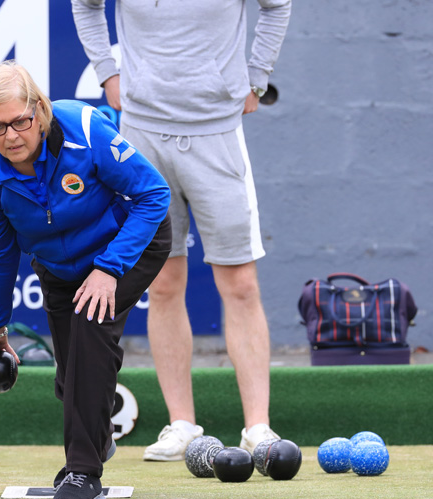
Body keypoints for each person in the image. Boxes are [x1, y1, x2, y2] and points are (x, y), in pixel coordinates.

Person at [72, 0, 292, 459]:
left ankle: (258, 429)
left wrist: (257, 76)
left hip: (218, 134)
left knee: (240, 283)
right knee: (164, 283)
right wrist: (107, 73)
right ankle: (182, 425)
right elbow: (85, 5)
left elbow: (277, 6)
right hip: (142, 134)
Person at [0, 61, 171, 499]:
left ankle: (83, 471)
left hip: (129, 243)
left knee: (91, 330)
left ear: (39, 110)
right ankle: (95, 438)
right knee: (70, 374)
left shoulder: (84, 129)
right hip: (59, 268)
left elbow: (154, 195)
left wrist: (109, 268)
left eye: (21, 120)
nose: (12, 135)